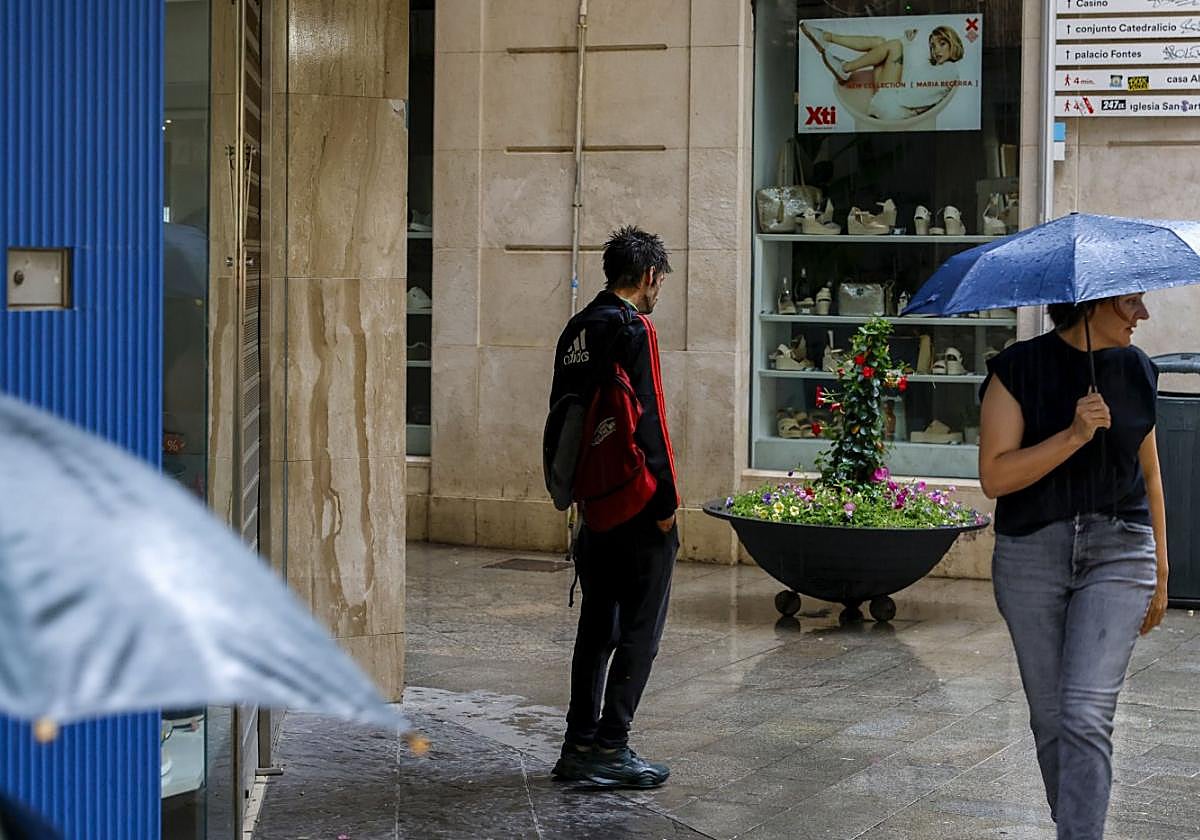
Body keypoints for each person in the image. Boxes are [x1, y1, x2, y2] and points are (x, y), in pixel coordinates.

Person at [978, 294, 1170, 839]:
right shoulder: (1017, 369)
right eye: (1132, 302)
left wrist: (1161, 568)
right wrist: (1073, 436)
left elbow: (1150, 475)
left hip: (1120, 551)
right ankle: (1078, 825)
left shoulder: (1137, 370)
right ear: (1094, 305)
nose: (1143, 315)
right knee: (1052, 719)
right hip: (1030, 555)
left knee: (1086, 713)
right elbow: (994, 476)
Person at [548, 226, 680, 789]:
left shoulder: (577, 328)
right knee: (642, 629)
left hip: (592, 505)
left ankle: (578, 744)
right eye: (660, 282)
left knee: (597, 625)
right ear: (649, 276)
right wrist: (668, 501)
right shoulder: (634, 327)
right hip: (635, 501)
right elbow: (649, 419)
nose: (658, 292)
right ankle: (612, 745)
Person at [801, 21, 964, 120]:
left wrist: (902, 50)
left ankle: (845, 67)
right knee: (880, 42)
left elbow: (917, 97)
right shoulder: (935, 66)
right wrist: (907, 42)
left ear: (953, 44)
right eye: (933, 46)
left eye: (942, 44)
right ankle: (827, 37)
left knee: (894, 46)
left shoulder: (950, 70)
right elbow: (910, 70)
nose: (936, 50)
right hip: (890, 97)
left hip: (895, 107)